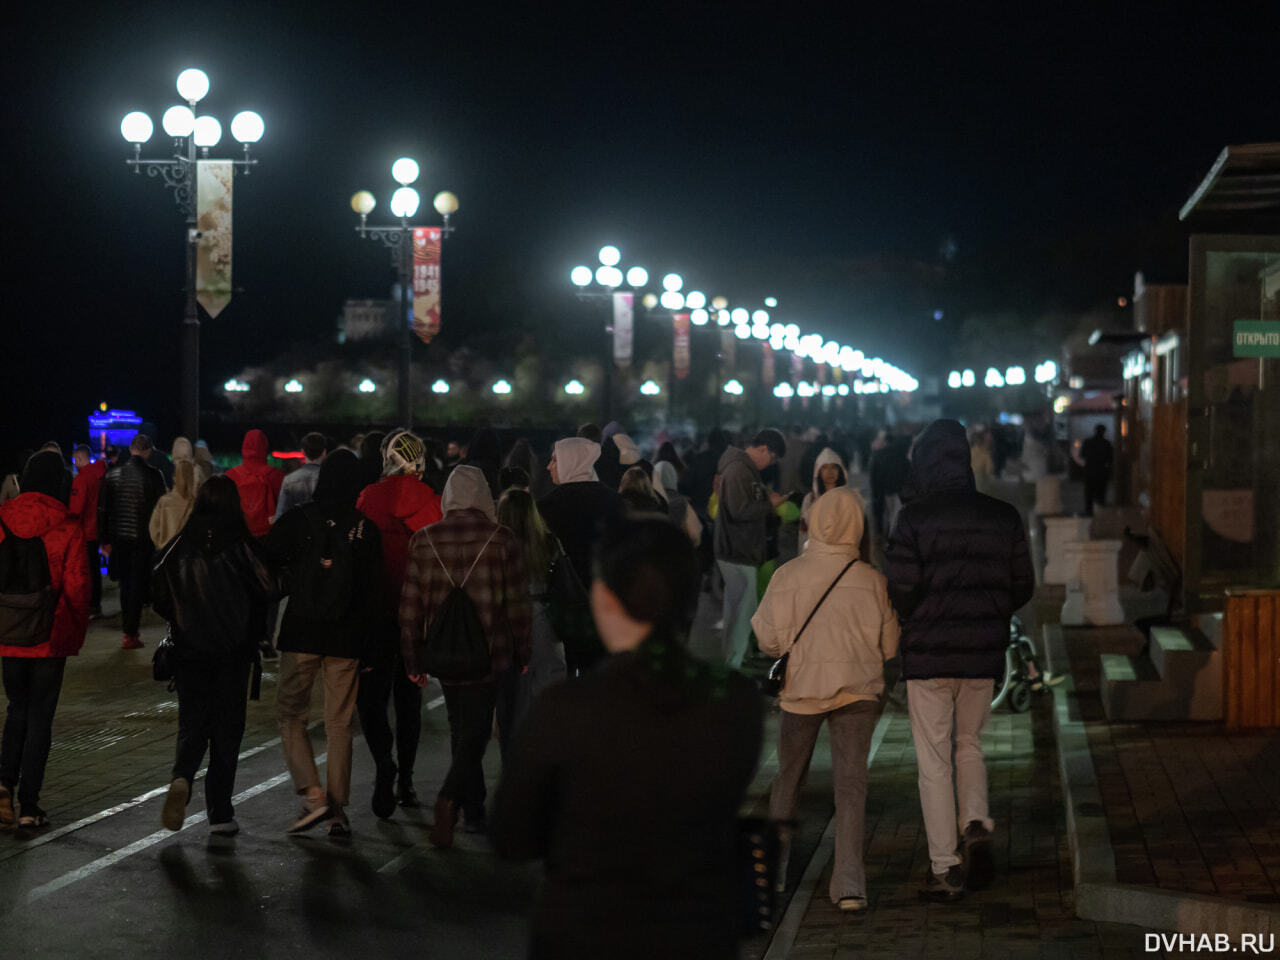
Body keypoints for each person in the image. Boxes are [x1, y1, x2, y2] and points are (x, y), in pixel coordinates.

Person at [492, 518, 762, 958]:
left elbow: (512, 834)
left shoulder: (566, 707)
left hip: (585, 929)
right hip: (697, 931)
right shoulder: (734, 701)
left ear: (605, 599)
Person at [884, 419, 1035, 900]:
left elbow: (901, 589)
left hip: (928, 657)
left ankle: (945, 867)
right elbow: (1022, 586)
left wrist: (918, 617)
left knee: (934, 762)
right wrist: (987, 614)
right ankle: (975, 819)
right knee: (969, 743)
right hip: (981, 653)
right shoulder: (1002, 515)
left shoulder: (913, 518)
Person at [753, 488, 899, 912]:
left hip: (801, 691)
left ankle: (773, 873)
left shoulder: (789, 575)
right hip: (858, 692)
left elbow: (767, 638)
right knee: (851, 788)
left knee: (789, 779)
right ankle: (849, 884)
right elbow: (889, 646)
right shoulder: (871, 579)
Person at [400, 465, 531, 846]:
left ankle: (473, 810)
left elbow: (410, 608)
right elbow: (517, 606)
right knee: (475, 732)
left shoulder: (423, 540)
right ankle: (450, 798)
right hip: (490, 652)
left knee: (463, 728)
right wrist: (524, 649)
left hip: (442, 652)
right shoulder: (502, 540)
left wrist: (413, 659)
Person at [151, 477, 277, 837]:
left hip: (190, 650)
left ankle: (181, 778)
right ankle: (220, 812)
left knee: (192, 723)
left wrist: (179, 614)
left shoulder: (181, 543)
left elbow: (157, 585)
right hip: (233, 652)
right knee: (227, 730)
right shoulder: (240, 545)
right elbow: (270, 587)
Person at [267, 450, 383, 837]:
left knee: (290, 715)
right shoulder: (366, 528)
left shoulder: (297, 521)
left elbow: (265, 561)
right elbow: (373, 595)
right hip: (347, 636)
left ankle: (313, 795)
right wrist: (371, 646)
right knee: (339, 725)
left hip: (301, 630)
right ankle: (337, 812)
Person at [0, 451, 90, 830]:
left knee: (16, 709)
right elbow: (78, 588)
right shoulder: (67, 527)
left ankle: (3, 784)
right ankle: (29, 806)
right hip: (50, 637)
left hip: (8, 635)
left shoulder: (2, 519)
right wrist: (74, 628)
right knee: (40, 718)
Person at [355, 429, 442, 813]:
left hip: (374, 611)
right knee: (409, 699)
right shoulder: (431, 501)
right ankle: (405, 779)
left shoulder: (369, 498)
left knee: (370, 699)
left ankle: (383, 763)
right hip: (416, 613)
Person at [495, 489, 567, 754]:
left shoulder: (496, 544)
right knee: (545, 688)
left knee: (509, 698)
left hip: (505, 619)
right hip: (542, 617)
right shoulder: (547, 542)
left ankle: (513, 762)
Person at [714, 429, 787, 669]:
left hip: (736, 548)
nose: (771, 463)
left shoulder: (740, 468)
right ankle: (732, 666)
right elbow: (739, 510)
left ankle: (734, 659)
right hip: (738, 548)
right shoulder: (739, 469)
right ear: (764, 449)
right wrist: (769, 504)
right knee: (743, 614)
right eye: (773, 457)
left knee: (737, 610)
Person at [99, 434, 166, 650]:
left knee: (125, 585)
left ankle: (128, 629)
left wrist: (105, 540)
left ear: (131, 449)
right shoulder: (154, 476)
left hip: (119, 539)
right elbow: (159, 511)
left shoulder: (112, 474)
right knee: (137, 584)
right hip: (142, 539)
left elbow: (104, 510)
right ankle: (130, 631)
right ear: (147, 451)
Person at [226, 429, 284, 658]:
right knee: (270, 590)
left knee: (242, 590)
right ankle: (265, 638)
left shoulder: (232, 475)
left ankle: (243, 636)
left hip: (241, 541)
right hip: (268, 540)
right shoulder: (276, 475)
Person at [69, 445, 107, 618]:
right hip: (98, 529)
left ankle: (89, 605)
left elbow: (76, 509)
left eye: (75, 460)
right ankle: (96, 604)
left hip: (84, 531)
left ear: (80, 459)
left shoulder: (80, 480)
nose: (75, 463)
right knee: (95, 570)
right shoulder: (100, 475)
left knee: (85, 570)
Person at [273, 432, 327, 521]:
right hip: (324, 529)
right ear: (324, 452)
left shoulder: (289, 480)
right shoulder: (330, 478)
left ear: (303, 452)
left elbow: (281, 514)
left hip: (298, 529)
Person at [148, 459, 197, 549]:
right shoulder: (197, 503)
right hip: (187, 554)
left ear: (175, 477)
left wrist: (161, 544)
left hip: (165, 551)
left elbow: (153, 529)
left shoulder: (164, 501)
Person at [653, 460, 702, 546]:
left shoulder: (647, 501)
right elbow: (695, 536)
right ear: (673, 478)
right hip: (678, 552)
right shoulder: (682, 502)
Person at [1081, 424, 1113, 516]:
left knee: (1089, 493)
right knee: (1101, 493)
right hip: (1101, 471)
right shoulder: (1106, 443)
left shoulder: (1088, 442)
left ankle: (1089, 511)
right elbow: (1110, 459)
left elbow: (1082, 454)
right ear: (1104, 432)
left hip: (1089, 470)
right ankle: (1100, 511)